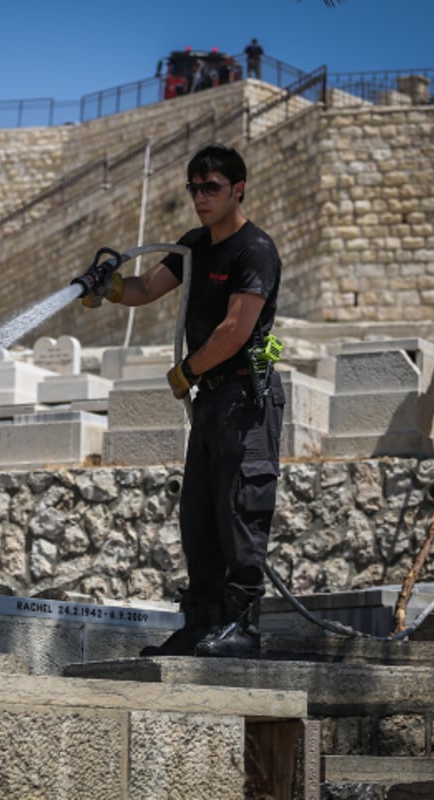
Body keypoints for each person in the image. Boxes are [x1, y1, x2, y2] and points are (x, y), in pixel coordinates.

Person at [80, 144, 284, 659]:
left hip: (244, 398)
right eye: (194, 188)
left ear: (238, 189)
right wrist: (108, 288)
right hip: (212, 400)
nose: (200, 197)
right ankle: (202, 623)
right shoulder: (195, 246)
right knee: (198, 517)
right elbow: (147, 287)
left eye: (210, 187)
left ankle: (242, 628)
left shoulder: (253, 250)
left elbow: (236, 330)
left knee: (239, 510)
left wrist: (187, 370)